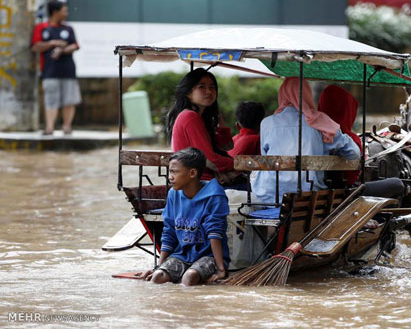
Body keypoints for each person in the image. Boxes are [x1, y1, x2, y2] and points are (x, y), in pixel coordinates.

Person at [251, 77, 361, 205]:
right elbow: (354, 153)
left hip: (270, 194)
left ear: (282, 94)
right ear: (308, 94)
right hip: (309, 195)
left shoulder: (267, 123)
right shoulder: (320, 123)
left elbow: (265, 157)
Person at [139, 147, 229, 285]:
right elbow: (169, 231)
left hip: (208, 257)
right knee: (157, 277)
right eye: (170, 172)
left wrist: (221, 269)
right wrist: (159, 266)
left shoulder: (215, 195)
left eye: (175, 172)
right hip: (181, 255)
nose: (170, 177)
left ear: (192, 173)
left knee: (189, 277)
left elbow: (215, 233)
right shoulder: (173, 194)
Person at [166, 68, 239, 185]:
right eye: (202, 87)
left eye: (212, 87)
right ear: (188, 93)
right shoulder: (190, 116)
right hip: (199, 184)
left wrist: (219, 120)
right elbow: (209, 160)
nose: (209, 91)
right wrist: (240, 164)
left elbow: (227, 146)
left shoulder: (199, 118)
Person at [31, 0, 80, 135]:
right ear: (55, 12)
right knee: (51, 99)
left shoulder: (68, 28)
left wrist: (62, 50)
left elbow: (75, 45)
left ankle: (67, 126)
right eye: (64, 11)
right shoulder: (41, 28)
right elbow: (35, 46)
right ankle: (49, 127)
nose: (66, 14)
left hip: (68, 70)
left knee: (69, 100)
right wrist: (52, 43)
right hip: (49, 71)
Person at [318, 85, 362, 187]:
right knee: (396, 184)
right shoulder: (349, 139)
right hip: (344, 193)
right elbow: (355, 156)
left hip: (311, 187)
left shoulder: (312, 132)